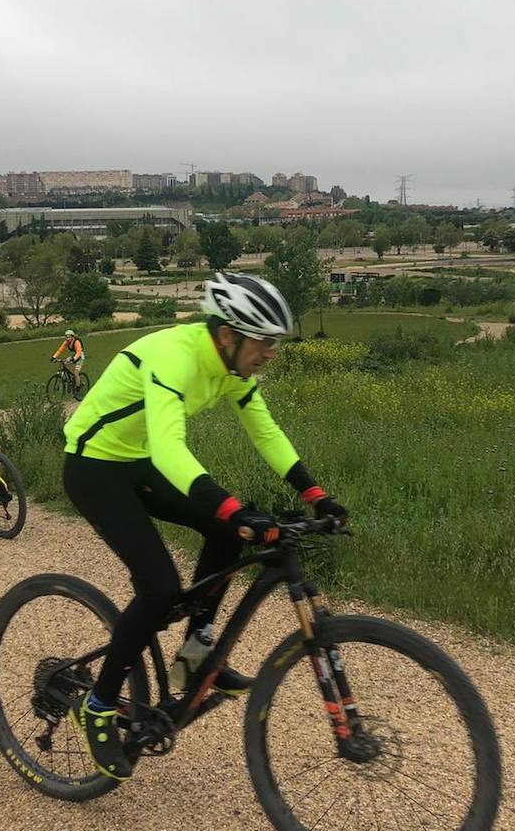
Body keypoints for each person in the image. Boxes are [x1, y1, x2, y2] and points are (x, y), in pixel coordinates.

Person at [61, 272, 347, 781]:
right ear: (226, 335)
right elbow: (171, 449)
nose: (271, 353)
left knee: (227, 531)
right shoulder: (174, 357)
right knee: (159, 588)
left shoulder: (233, 370)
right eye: (263, 342)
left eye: (274, 342)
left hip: (139, 462)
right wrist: (232, 507)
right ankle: (100, 705)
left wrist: (315, 493)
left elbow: (266, 431)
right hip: (94, 468)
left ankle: (194, 654)